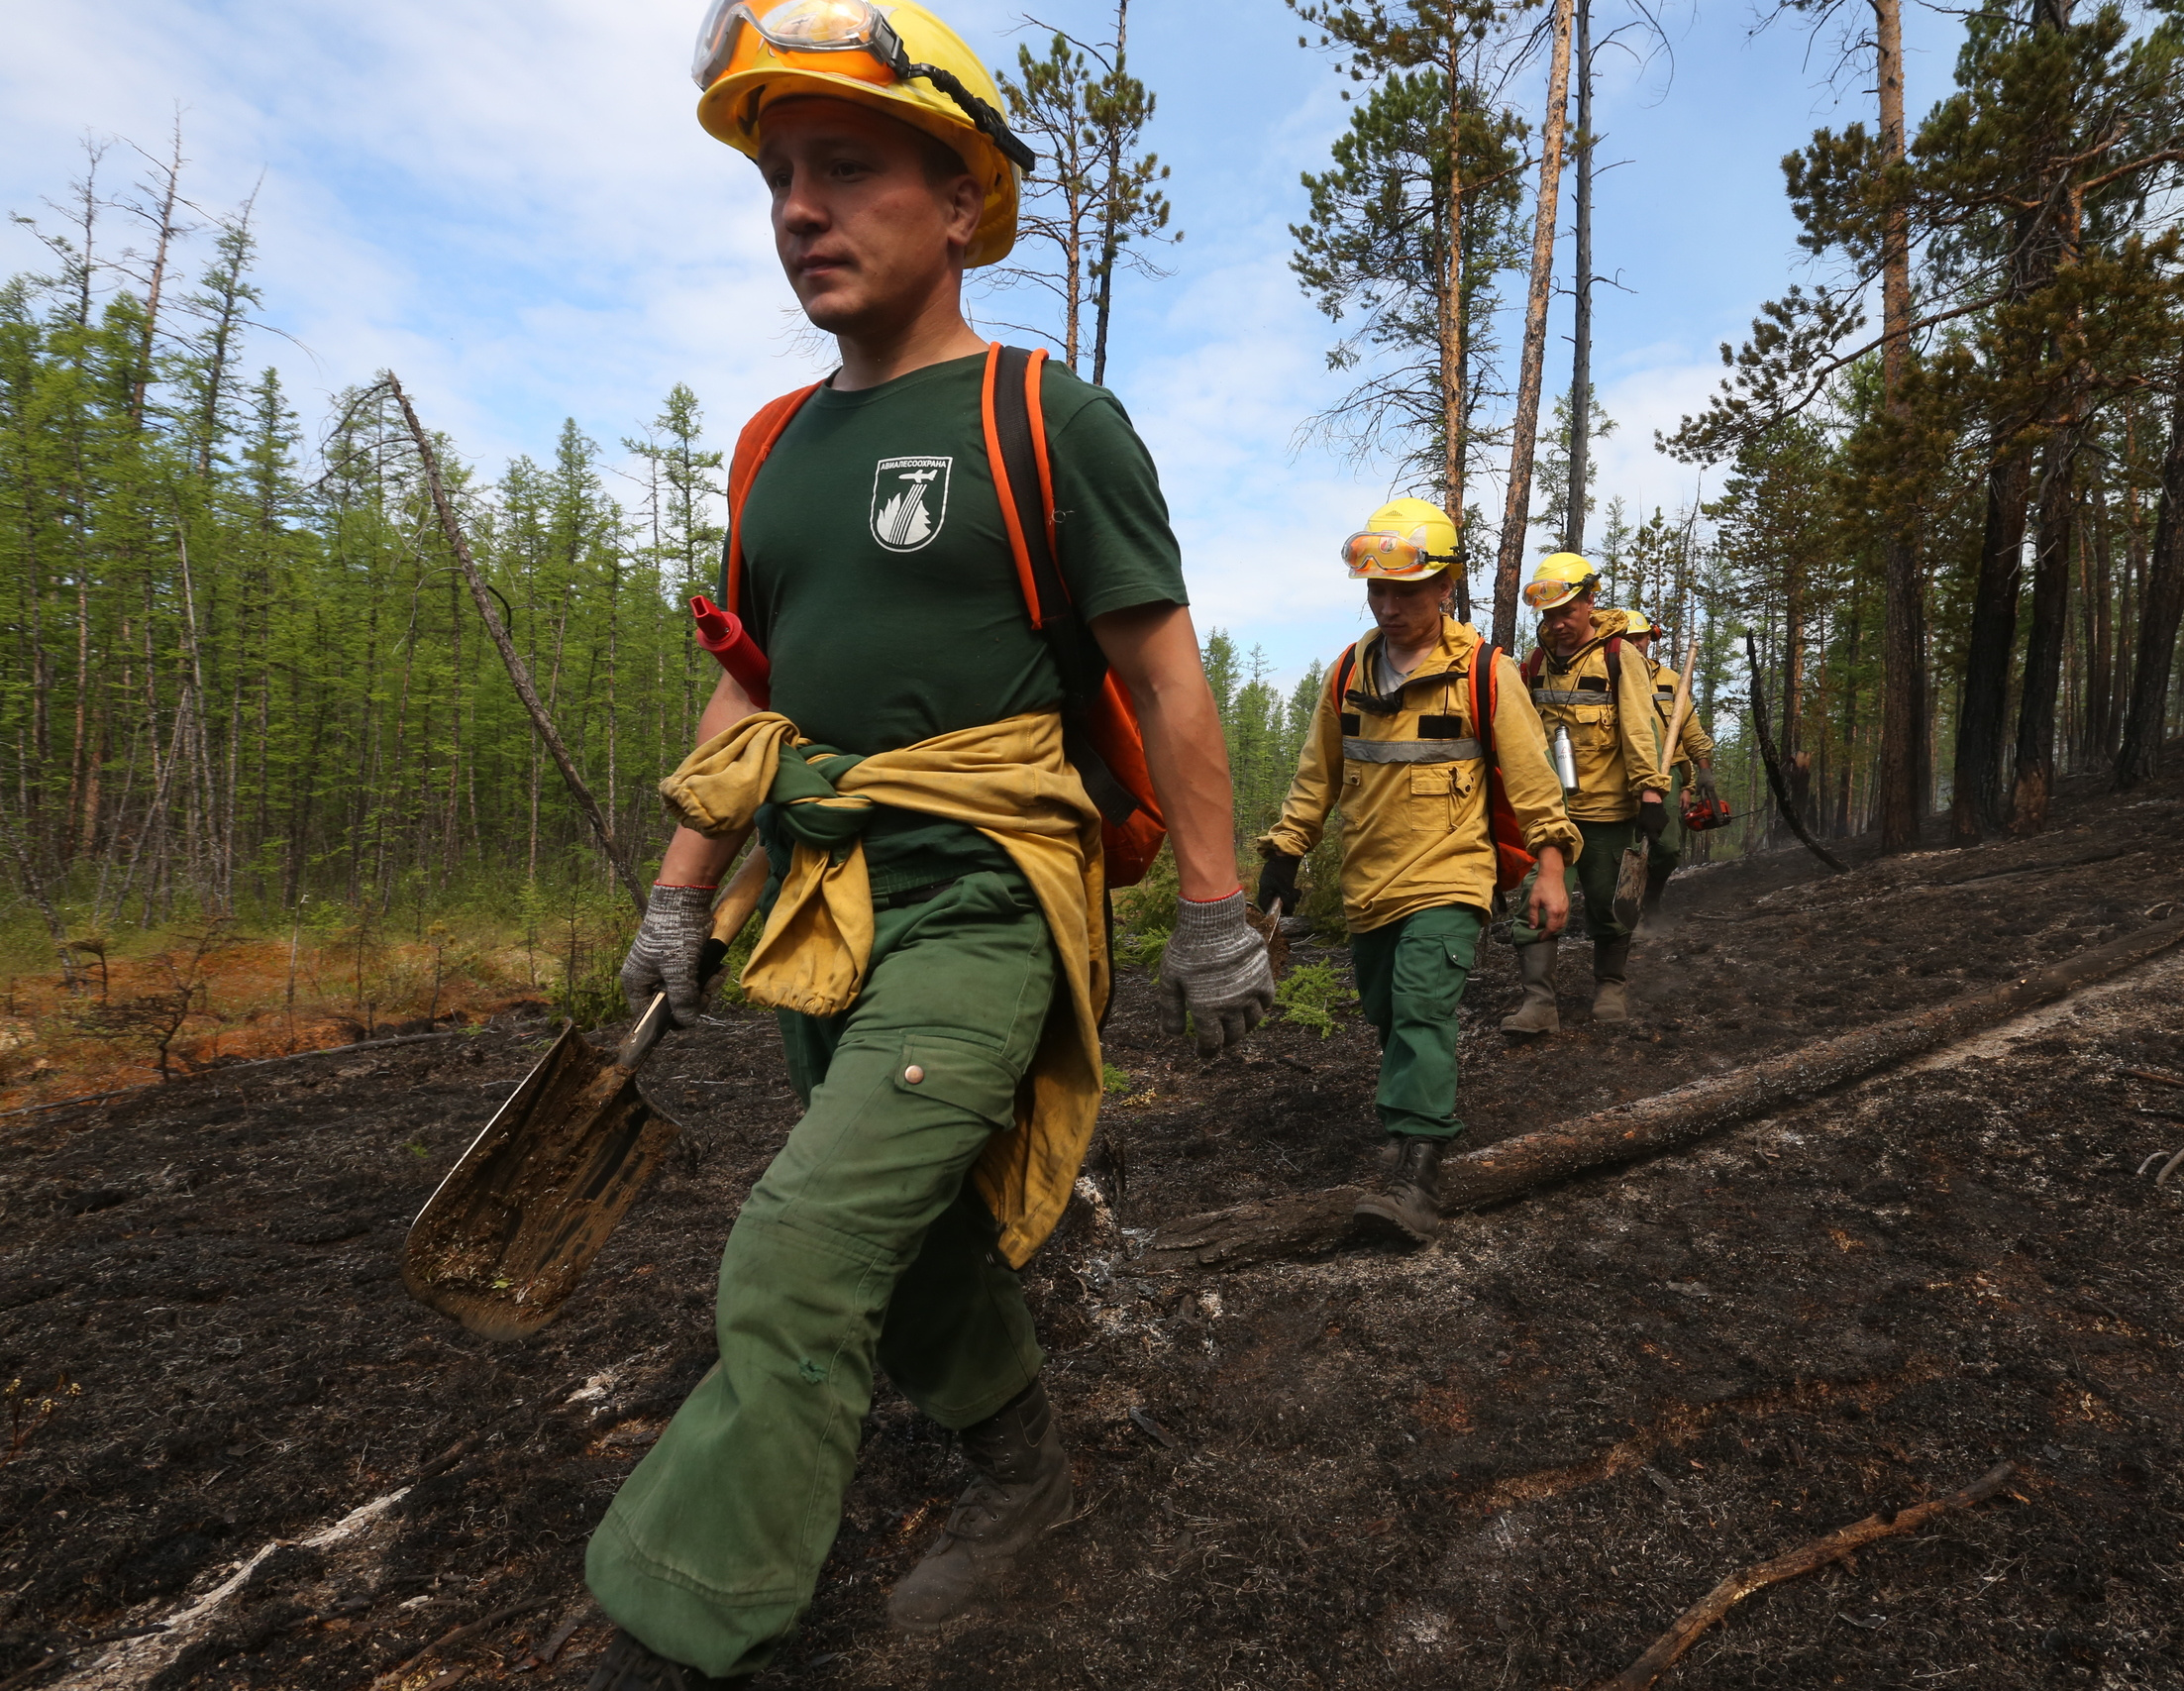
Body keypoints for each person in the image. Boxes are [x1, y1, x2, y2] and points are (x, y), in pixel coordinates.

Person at [582, 6, 1273, 1686]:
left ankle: (675, 1627)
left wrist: (1215, 909)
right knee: (907, 1239)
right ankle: (1027, 1465)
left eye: (850, 169)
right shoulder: (772, 450)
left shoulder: (1048, 419)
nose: (800, 211)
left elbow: (1164, 673)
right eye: (779, 177)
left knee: (798, 1246)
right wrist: (682, 899)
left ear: (961, 201)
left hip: (987, 905)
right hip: (820, 906)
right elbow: (743, 685)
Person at [1256, 499, 1579, 1242]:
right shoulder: (1348, 674)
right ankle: (1408, 1132)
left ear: (1445, 587)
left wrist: (1551, 866)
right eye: (1377, 591)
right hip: (1370, 889)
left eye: (1406, 591)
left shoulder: (1484, 674)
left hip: (1451, 878)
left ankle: (1418, 1175)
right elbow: (1317, 777)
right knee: (1387, 1013)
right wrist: (1284, 851)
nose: (1389, 605)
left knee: (1422, 1007)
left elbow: (1534, 784)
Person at [1500, 554, 1667, 1033]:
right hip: (1550, 815)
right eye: (1548, 616)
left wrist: (1651, 795)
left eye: (1565, 613)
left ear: (1589, 603)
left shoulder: (1619, 658)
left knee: (1609, 903)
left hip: (1609, 811)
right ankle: (1539, 1004)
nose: (1556, 625)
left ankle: (1611, 987)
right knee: (1538, 899)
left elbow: (1640, 730)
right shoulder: (1534, 664)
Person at [1620, 611, 1718, 908]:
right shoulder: (1612, 675)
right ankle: (1622, 904)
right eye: (1629, 639)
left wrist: (1700, 776)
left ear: (1650, 638)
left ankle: (1650, 900)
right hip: (1623, 773)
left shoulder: (1670, 680)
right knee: (1624, 842)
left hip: (1668, 772)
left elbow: (1689, 729)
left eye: (1640, 638)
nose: (1636, 645)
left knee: (1668, 848)